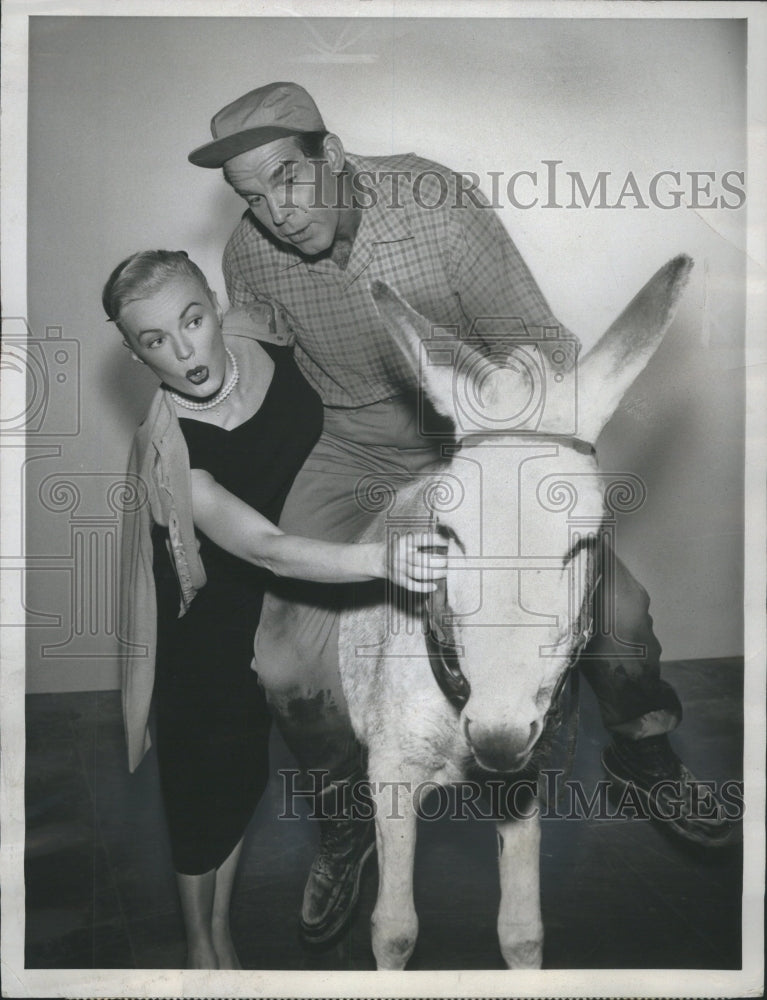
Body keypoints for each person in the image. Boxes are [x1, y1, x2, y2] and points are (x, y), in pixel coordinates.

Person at [186, 81, 734, 945]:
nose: (274, 212)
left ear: (331, 153)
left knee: (615, 610)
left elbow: (538, 340)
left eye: (286, 180)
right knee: (284, 659)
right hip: (353, 448)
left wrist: (514, 453)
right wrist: (176, 410)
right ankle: (345, 818)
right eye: (250, 197)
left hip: (478, 440)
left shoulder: (436, 207)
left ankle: (641, 749)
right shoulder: (253, 254)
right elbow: (249, 357)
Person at [109, 250, 446, 969]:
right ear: (133, 352)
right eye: (154, 341)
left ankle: (330, 844)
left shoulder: (271, 336)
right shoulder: (166, 452)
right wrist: (382, 562)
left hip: (305, 583)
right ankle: (206, 946)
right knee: (210, 784)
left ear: (215, 305)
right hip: (209, 617)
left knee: (272, 764)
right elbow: (262, 547)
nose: (182, 350)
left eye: (191, 321)